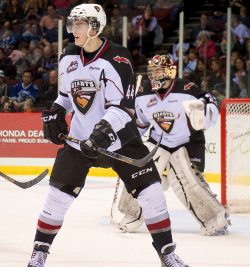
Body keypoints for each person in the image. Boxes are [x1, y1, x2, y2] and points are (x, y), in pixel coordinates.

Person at [27, 5, 189, 267]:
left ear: (94, 27)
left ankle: (167, 254)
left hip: (121, 139)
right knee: (57, 198)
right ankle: (40, 252)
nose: (73, 30)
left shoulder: (118, 58)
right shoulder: (68, 55)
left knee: (152, 195)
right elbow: (67, 97)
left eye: (79, 25)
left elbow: (123, 108)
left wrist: (102, 130)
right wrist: (56, 111)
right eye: (73, 24)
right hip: (80, 139)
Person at [114, 54, 229, 237]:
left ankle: (215, 218)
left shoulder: (187, 89)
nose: (155, 76)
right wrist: (126, 137)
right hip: (159, 141)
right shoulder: (143, 93)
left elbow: (211, 102)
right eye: (152, 72)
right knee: (139, 172)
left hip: (188, 141)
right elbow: (140, 124)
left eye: (159, 71)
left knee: (190, 181)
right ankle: (131, 214)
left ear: (170, 72)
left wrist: (205, 113)